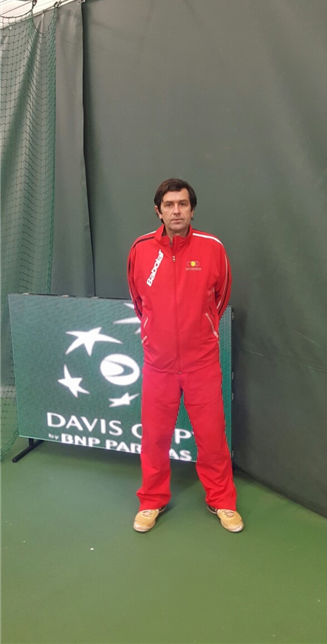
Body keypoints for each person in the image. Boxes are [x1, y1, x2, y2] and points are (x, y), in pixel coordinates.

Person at [127, 178, 244, 533]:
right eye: (169, 205)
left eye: (182, 204)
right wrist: (156, 333)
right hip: (158, 365)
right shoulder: (140, 250)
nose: (176, 211)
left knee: (212, 438)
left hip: (201, 364)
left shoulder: (212, 248)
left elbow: (220, 299)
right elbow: (139, 302)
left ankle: (222, 500)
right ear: (158, 211)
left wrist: (200, 329)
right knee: (154, 438)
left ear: (192, 210)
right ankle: (151, 500)